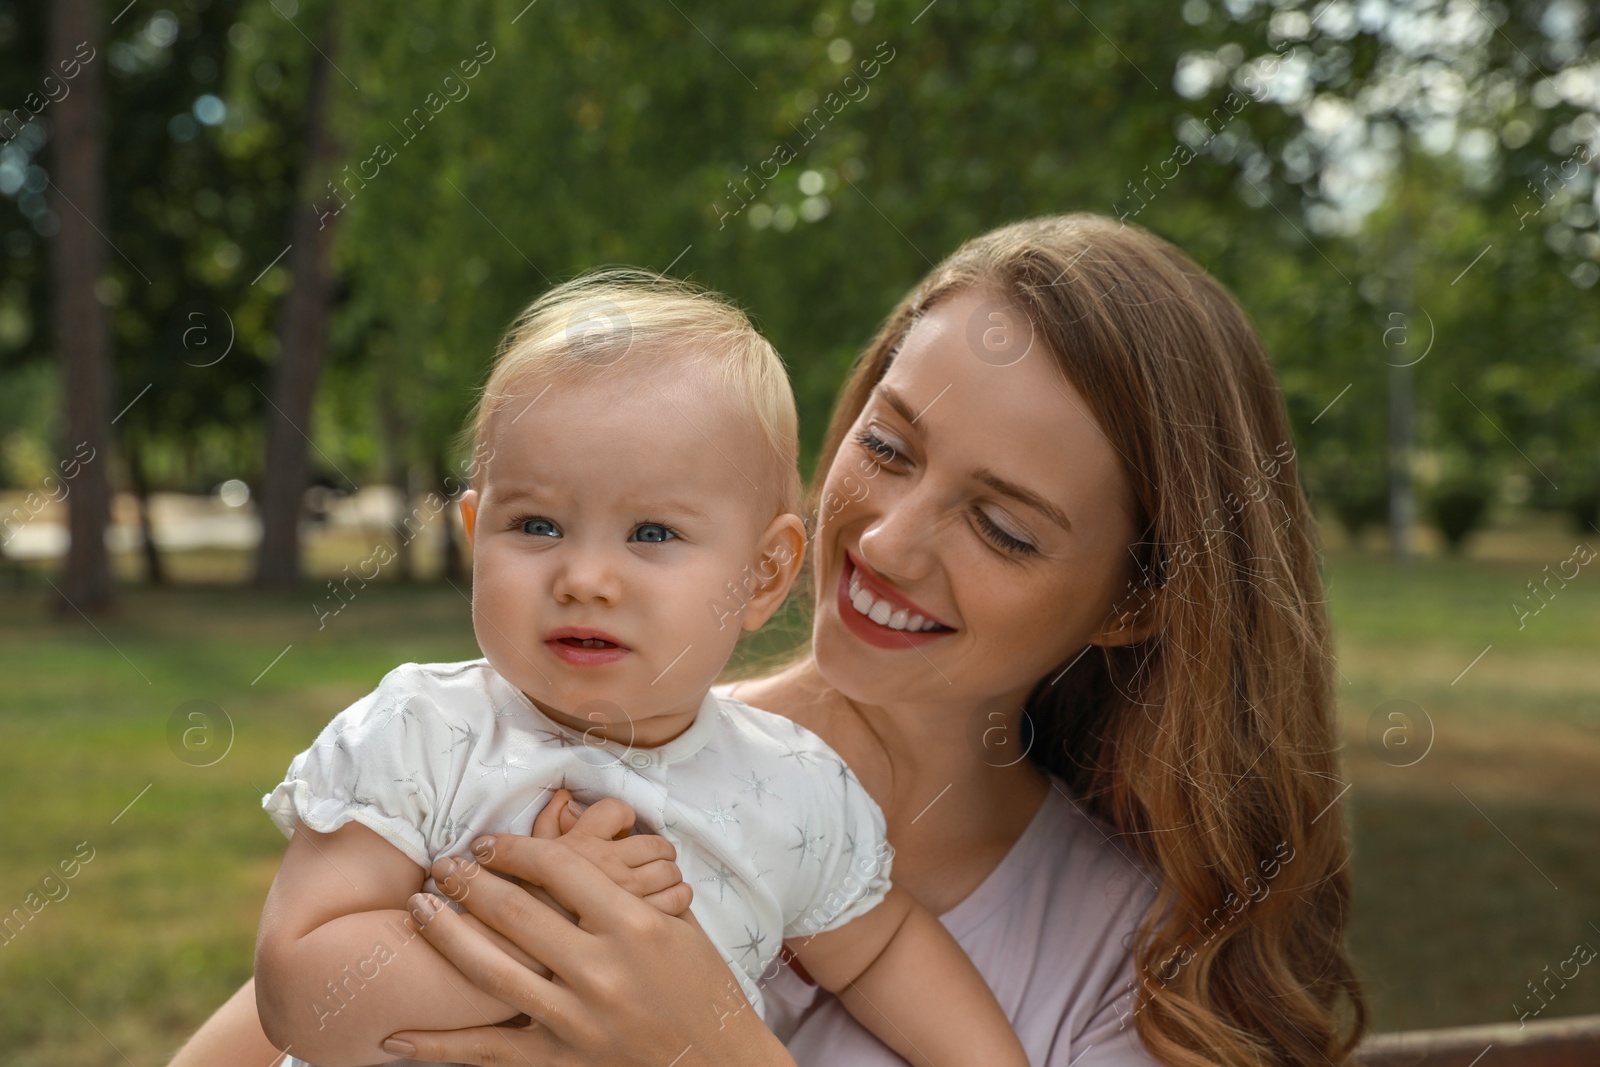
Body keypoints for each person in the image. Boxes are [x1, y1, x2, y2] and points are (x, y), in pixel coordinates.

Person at [169, 213, 1368, 1067]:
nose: (889, 541)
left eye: (1003, 526)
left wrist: (701, 1043)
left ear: (1135, 598)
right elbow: (280, 1011)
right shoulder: (533, 746)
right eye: (888, 447)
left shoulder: (1133, 962)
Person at [250, 271, 1032, 1067]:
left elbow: (883, 947)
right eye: (538, 524)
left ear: (763, 575)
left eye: (653, 533)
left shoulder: (791, 790)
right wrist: (540, 929)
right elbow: (294, 990)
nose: (585, 576)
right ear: (476, 532)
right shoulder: (424, 732)